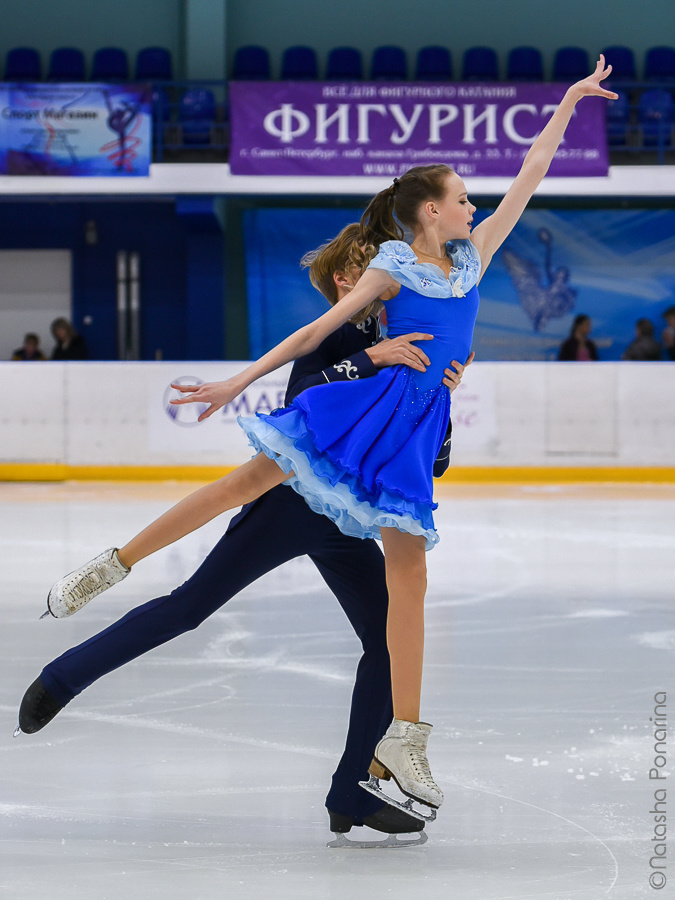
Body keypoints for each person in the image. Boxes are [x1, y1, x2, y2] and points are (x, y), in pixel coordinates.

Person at [21, 57, 617, 813]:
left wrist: (566, 102)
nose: (472, 206)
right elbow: (314, 340)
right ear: (427, 212)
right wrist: (242, 380)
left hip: (376, 473)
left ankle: (378, 762)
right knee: (222, 534)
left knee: (407, 589)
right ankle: (109, 569)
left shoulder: (468, 261)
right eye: (461, 198)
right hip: (324, 470)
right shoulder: (387, 282)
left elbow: (532, 171)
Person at [17, 224, 470, 840]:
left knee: (388, 642)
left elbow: (429, 456)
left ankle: (353, 795)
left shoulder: (405, 336)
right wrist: (370, 359)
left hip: (346, 522)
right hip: (286, 503)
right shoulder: (338, 330)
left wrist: (442, 398)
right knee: (190, 607)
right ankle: (63, 676)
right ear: (347, 281)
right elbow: (303, 396)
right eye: (375, 270)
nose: (392, 281)